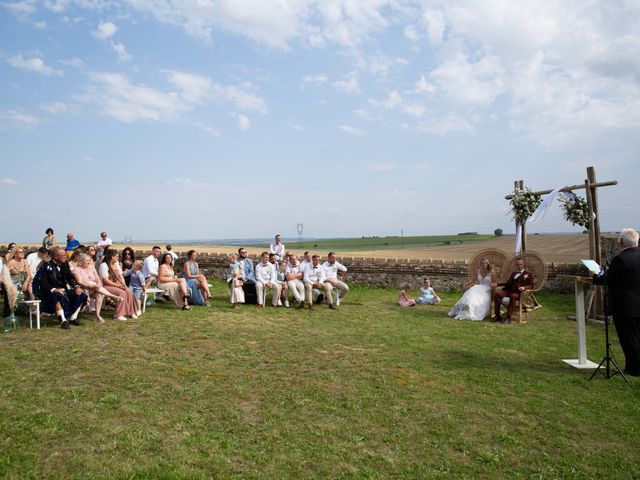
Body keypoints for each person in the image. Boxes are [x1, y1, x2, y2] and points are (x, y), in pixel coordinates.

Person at [593, 228, 640, 377]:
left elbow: (607, 279)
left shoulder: (621, 259)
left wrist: (598, 274)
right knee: (637, 336)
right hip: (638, 303)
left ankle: (634, 368)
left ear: (620, 242)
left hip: (625, 305)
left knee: (628, 339)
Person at [39, 246, 88, 329]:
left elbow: (70, 277)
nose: (66, 257)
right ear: (55, 257)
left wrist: (76, 286)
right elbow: (43, 282)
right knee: (57, 295)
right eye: (63, 255)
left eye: (65, 255)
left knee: (82, 295)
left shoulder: (65, 264)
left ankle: (73, 317)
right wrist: (54, 289)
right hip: (50, 292)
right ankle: (63, 320)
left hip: (64, 290)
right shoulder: (46, 265)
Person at [74, 253, 123, 323]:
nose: (89, 262)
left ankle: (98, 315)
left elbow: (98, 279)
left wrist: (98, 284)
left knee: (99, 294)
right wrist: (91, 285)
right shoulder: (77, 270)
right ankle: (113, 296)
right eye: (87, 260)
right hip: (83, 289)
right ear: (81, 261)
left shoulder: (91, 268)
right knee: (92, 284)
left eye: (89, 260)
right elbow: (80, 282)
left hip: (94, 288)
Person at [98, 249, 138, 321]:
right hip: (106, 286)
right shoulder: (103, 265)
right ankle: (118, 315)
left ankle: (131, 312)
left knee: (129, 292)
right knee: (121, 293)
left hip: (117, 284)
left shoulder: (116, 264)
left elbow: (120, 275)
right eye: (117, 256)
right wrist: (118, 286)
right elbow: (105, 280)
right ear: (112, 257)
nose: (118, 258)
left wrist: (123, 284)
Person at [493, 258, 533, 324]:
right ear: (516, 265)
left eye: (521, 264)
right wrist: (497, 284)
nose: (519, 265)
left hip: (518, 293)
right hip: (509, 291)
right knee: (497, 294)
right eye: (518, 264)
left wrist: (524, 287)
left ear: (523, 265)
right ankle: (497, 316)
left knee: (512, 296)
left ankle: (508, 317)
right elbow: (507, 283)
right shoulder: (513, 273)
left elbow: (531, 286)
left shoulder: (528, 274)